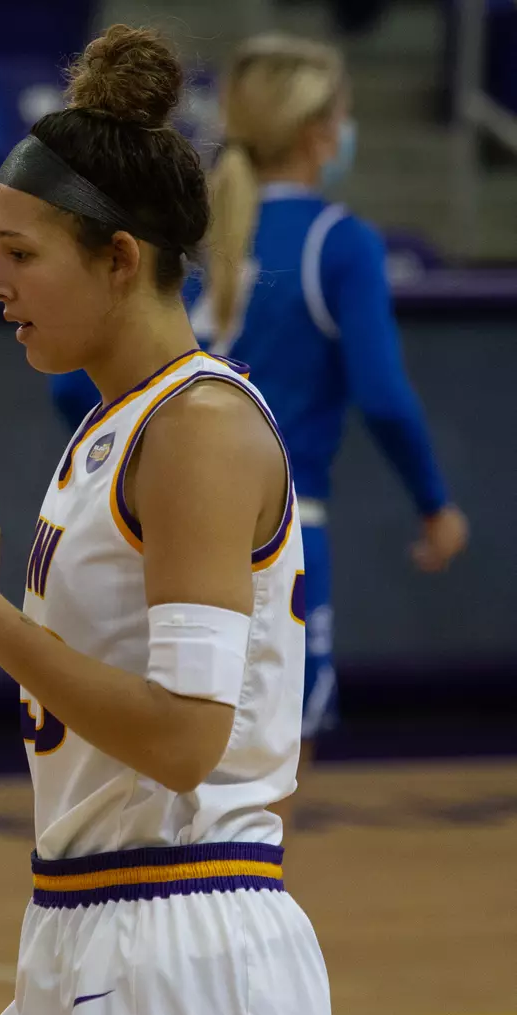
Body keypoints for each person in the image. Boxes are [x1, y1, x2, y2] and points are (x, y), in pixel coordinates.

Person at [0, 24, 331, 1015]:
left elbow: (188, 739)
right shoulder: (118, 424)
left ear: (121, 257)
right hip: (107, 921)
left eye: (21, 251)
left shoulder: (200, 428)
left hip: (173, 946)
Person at [193, 33, 468, 809]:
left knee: (176, 774)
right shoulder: (339, 241)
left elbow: (77, 387)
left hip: (161, 533)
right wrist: (435, 503)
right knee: (262, 794)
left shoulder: (195, 236)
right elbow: (381, 393)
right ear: (320, 133)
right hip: (279, 537)